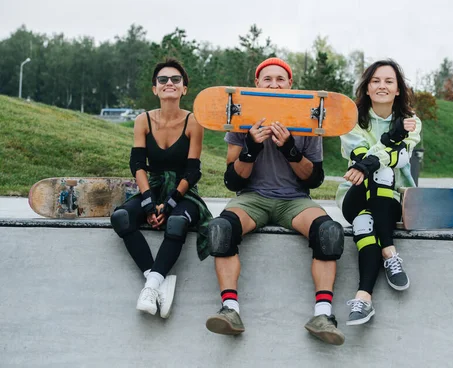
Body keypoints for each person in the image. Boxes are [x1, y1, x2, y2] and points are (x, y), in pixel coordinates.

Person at [203, 57, 345, 345]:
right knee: (221, 229)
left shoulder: (309, 116)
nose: (274, 84)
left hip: (294, 200)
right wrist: (251, 148)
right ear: (257, 83)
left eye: (280, 79)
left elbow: (314, 179)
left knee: (329, 233)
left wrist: (291, 149)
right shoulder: (241, 118)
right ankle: (230, 310)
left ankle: (323, 314)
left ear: (290, 84)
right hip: (252, 198)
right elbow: (232, 181)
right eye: (267, 79)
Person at [110, 58, 212, 318]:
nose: (169, 83)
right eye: (163, 80)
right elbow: (137, 164)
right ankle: (156, 282)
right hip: (152, 186)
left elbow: (193, 170)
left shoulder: (193, 122)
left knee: (176, 222)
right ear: (154, 88)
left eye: (176, 80)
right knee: (121, 217)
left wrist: (171, 203)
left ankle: (151, 285)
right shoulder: (143, 120)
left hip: (182, 189)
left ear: (184, 89)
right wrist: (146, 201)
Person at [335, 59, 421, 326]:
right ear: (367, 88)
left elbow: (401, 158)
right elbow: (358, 152)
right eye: (376, 81)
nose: (382, 86)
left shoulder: (410, 122)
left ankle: (364, 297)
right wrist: (384, 147)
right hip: (354, 194)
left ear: (398, 89)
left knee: (364, 223)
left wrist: (371, 160)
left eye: (388, 81)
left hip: (390, 200)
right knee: (380, 174)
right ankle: (390, 252)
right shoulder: (351, 118)